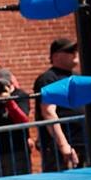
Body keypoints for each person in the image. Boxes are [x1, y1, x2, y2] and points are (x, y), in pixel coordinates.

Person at [33, 38, 84, 171]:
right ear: (55, 56)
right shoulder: (48, 78)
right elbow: (48, 112)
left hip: (83, 142)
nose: (75, 53)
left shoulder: (77, 77)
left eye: (75, 50)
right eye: (69, 51)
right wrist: (63, 145)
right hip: (60, 147)